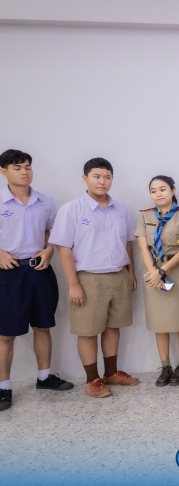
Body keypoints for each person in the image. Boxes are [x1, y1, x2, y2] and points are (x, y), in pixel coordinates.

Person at [50, 157, 139, 399]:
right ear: (85, 178)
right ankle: (92, 380)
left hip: (118, 275)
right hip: (88, 278)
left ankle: (111, 373)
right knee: (88, 330)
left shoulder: (121, 209)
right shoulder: (72, 210)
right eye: (97, 176)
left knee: (113, 327)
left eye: (107, 177)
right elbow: (64, 250)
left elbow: (128, 243)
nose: (102, 181)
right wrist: (73, 284)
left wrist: (130, 273)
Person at [0, 149, 74, 411]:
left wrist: (49, 249)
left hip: (39, 270)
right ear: (4, 171)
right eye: (18, 167)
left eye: (28, 167)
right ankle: (3, 387)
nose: (25, 172)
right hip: (9, 273)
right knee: (6, 332)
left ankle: (45, 377)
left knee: (43, 325)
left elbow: (52, 230)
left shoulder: (45, 200)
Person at [135, 176, 179, 387]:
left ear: (172, 191)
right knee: (159, 322)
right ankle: (165, 366)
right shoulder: (145, 216)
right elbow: (143, 247)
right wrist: (154, 272)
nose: (158, 194)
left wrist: (162, 271)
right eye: (154, 191)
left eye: (162, 189)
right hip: (152, 272)